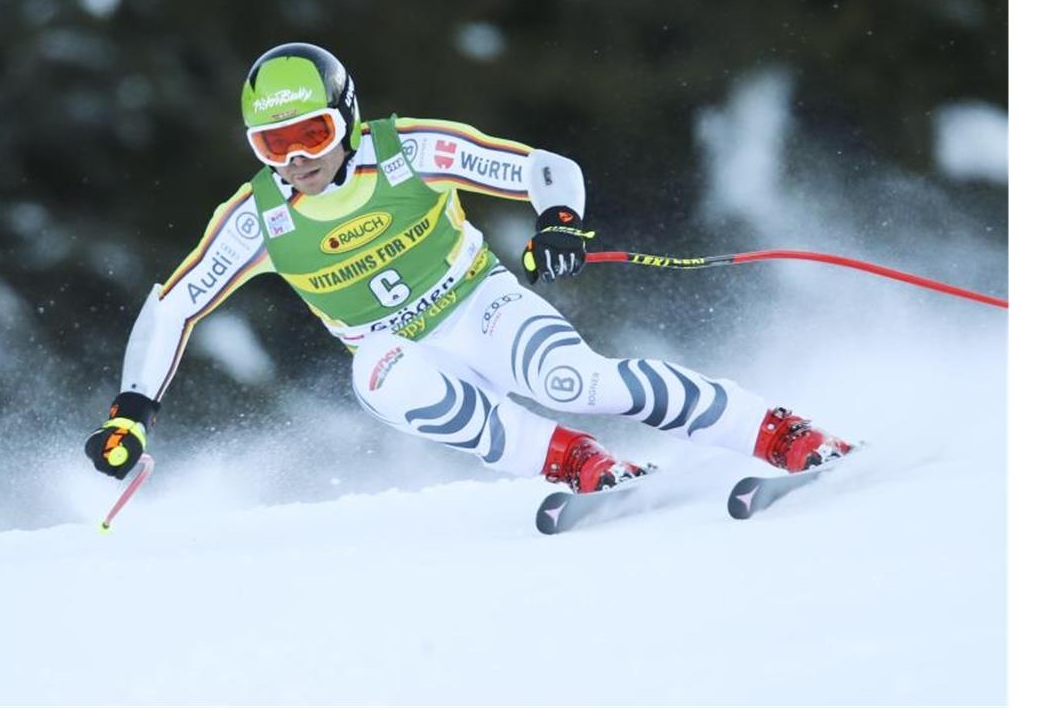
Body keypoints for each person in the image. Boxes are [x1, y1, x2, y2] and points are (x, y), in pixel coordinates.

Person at [84, 43, 854, 493]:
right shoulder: (259, 218)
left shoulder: (407, 151)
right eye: (274, 145)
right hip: (404, 352)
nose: (301, 160)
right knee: (379, 371)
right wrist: (131, 410)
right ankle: (576, 464)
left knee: (575, 382)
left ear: (346, 116)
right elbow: (173, 306)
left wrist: (558, 221)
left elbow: (541, 168)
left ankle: (777, 431)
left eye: (313, 132)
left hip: (480, 308)